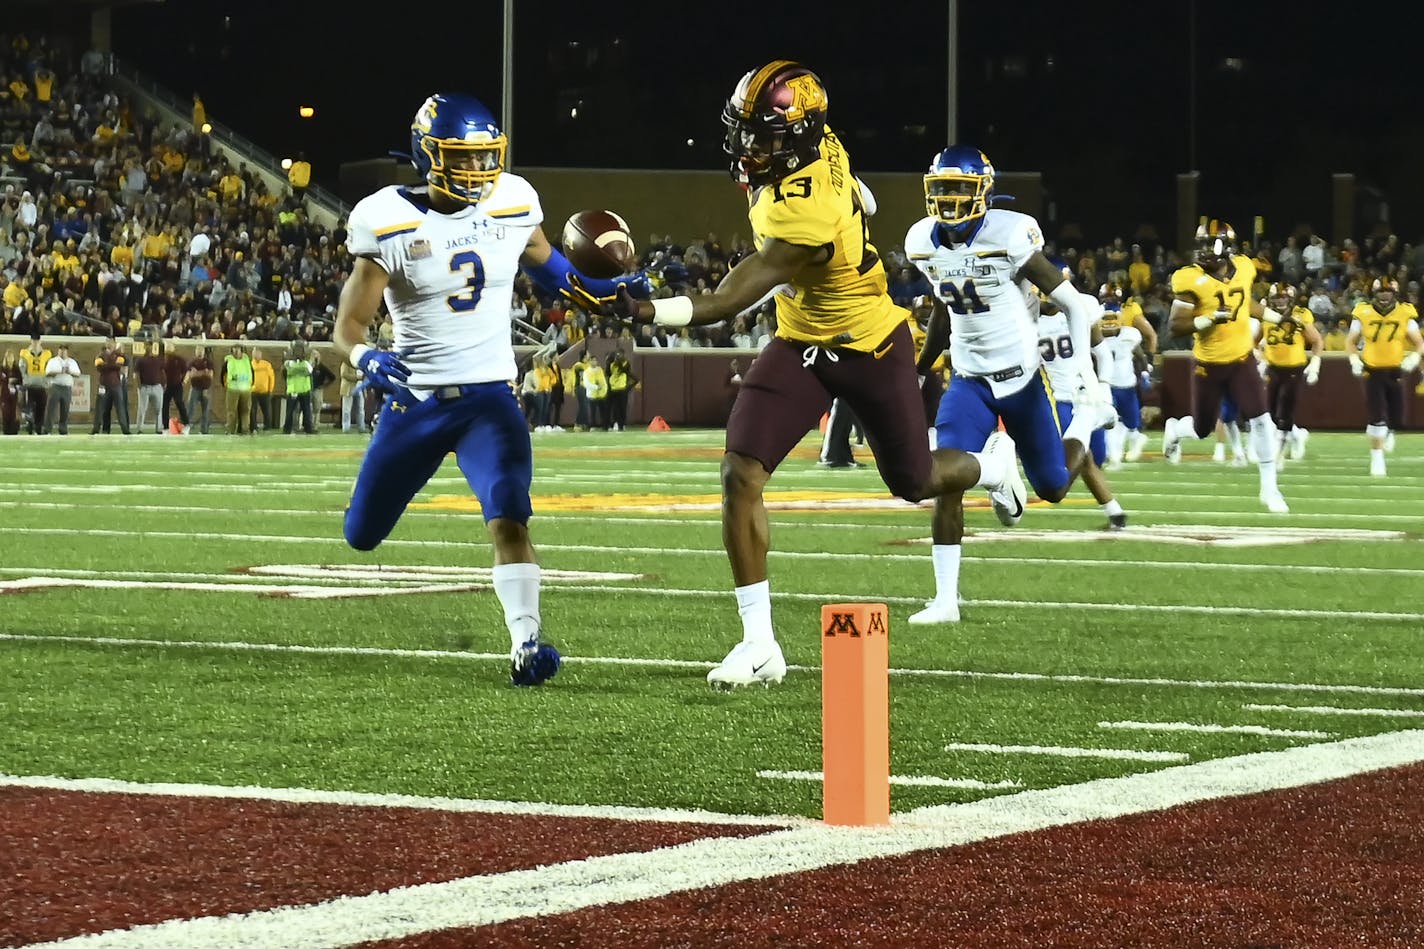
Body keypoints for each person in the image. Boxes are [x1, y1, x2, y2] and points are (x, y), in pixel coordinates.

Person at [600, 63, 1024, 685]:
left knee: (912, 481)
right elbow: (853, 183)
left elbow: (726, 298)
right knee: (739, 472)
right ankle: (759, 643)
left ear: (797, 135)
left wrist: (646, 309)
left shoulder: (806, 210)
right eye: (746, 130)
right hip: (801, 340)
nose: (749, 145)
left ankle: (992, 466)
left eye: (764, 134)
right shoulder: (821, 144)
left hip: (870, 345)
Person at [332, 92, 645, 686]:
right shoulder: (385, 219)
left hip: (489, 399)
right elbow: (347, 325)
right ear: (428, 155)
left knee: (509, 509)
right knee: (362, 534)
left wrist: (616, 292)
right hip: (416, 399)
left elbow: (555, 273)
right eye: (462, 158)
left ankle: (528, 642)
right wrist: (365, 354)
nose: (478, 172)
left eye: (485, 158)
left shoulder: (514, 200)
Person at [899, 145, 1118, 623]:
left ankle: (1083, 422)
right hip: (969, 379)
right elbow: (942, 308)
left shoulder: (1010, 234)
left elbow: (1078, 306)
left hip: (1021, 382)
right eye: (943, 188)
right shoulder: (923, 241)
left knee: (1055, 487)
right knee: (944, 477)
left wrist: (1084, 376)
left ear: (983, 192)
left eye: (960, 187)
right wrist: (921, 367)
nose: (950, 198)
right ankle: (946, 599)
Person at [1161, 220, 1289, 513]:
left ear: (1227, 248)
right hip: (1209, 363)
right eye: (1202, 244)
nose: (1205, 251)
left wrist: (1277, 318)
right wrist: (1208, 319)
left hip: (1242, 358)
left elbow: (1246, 304)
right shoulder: (1188, 278)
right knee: (1202, 429)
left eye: (1211, 244)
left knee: (1260, 419)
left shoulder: (1244, 267)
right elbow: (1175, 326)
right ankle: (1177, 430)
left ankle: (1270, 489)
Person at [1345, 276, 1424, 477]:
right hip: (1372, 369)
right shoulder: (1363, 312)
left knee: (1398, 417)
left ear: (1395, 293)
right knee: (1377, 416)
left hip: (1395, 370)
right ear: (1375, 293)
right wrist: (1354, 359)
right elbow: (1351, 341)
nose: (1384, 296)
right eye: (1381, 292)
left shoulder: (1405, 312)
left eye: (1388, 292)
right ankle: (1377, 459)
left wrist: (1415, 357)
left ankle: (1386, 431)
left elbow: (1419, 342)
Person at [1093, 282, 1157, 467]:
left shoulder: (1129, 335)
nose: (1109, 322)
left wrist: (1145, 372)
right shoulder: (1095, 334)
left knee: (1130, 423)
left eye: (1113, 318)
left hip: (1126, 384)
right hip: (1106, 383)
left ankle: (1134, 440)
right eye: (1107, 319)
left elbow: (1139, 354)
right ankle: (1114, 457)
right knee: (1110, 421)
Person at [1257, 282, 1322, 462]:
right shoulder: (1266, 316)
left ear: (1291, 299)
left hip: (1294, 368)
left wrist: (1315, 362)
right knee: (1268, 411)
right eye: (1277, 298)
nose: (1280, 301)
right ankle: (1297, 436)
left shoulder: (1300, 315)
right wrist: (1261, 359)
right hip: (1273, 368)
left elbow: (1317, 341)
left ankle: (1278, 453)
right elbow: (1255, 340)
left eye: (1283, 297)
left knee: (1285, 409)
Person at [91, 335, 131, 435]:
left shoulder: (119, 355)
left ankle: (125, 429)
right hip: (103, 384)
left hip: (116, 385)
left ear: (114, 343)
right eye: (107, 341)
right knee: (101, 408)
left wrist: (107, 365)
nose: (109, 343)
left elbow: (118, 366)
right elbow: (99, 367)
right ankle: (97, 429)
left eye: (111, 341)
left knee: (120, 408)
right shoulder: (100, 355)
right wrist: (112, 365)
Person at [43, 343, 79, 434]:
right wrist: (59, 371)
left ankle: (63, 429)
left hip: (67, 387)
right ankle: (47, 429)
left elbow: (78, 374)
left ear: (67, 351)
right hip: (56, 386)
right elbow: (47, 373)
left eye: (64, 350)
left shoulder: (72, 362)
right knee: (51, 409)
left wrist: (69, 371)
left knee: (65, 410)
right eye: (61, 349)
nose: (62, 351)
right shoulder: (53, 361)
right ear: (58, 350)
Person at [282, 341, 317, 434]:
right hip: (293, 390)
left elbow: (309, 371)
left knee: (307, 412)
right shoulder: (289, 363)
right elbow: (304, 370)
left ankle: (308, 428)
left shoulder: (303, 364)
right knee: (290, 412)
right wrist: (303, 369)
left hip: (304, 390)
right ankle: (287, 429)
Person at [19, 334, 51, 434]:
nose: (35, 342)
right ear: (31, 341)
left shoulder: (47, 354)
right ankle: (29, 425)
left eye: (37, 340)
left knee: (41, 407)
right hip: (30, 385)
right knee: (29, 407)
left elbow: (49, 368)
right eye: (34, 340)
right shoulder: (24, 353)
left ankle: (38, 427)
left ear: (40, 341)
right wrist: (25, 380)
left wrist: (47, 381)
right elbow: (22, 369)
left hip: (42, 385)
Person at [222, 343, 254, 435]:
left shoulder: (245, 360)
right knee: (232, 411)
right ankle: (231, 430)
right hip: (234, 388)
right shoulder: (230, 360)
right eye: (234, 349)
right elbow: (226, 374)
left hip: (243, 389)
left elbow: (250, 374)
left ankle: (244, 429)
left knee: (245, 411)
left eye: (238, 348)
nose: (236, 351)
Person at [134, 340, 165, 434]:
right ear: (144, 347)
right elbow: (137, 374)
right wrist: (139, 386)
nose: (149, 347)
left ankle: (159, 428)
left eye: (150, 345)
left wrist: (163, 384)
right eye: (147, 345)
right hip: (145, 387)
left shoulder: (157, 359)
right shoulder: (140, 360)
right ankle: (140, 428)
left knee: (159, 409)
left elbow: (162, 372)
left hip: (157, 386)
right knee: (142, 409)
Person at [185, 343, 214, 434]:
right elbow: (190, 375)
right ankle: (186, 428)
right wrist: (203, 372)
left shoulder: (208, 362)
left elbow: (210, 375)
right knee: (190, 409)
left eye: (201, 350)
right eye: (198, 350)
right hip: (195, 388)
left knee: (206, 410)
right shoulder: (192, 362)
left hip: (206, 389)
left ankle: (204, 430)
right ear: (195, 351)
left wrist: (197, 373)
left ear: (204, 351)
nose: (199, 352)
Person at [250, 346, 276, 432]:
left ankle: (267, 426)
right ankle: (253, 427)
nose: (256, 355)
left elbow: (271, 377)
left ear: (261, 354)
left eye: (258, 353)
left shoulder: (266, 364)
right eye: (254, 353)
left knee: (267, 410)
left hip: (265, 391)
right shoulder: (250, 365)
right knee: (252, 410)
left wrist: (270, 389)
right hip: (253, 391)